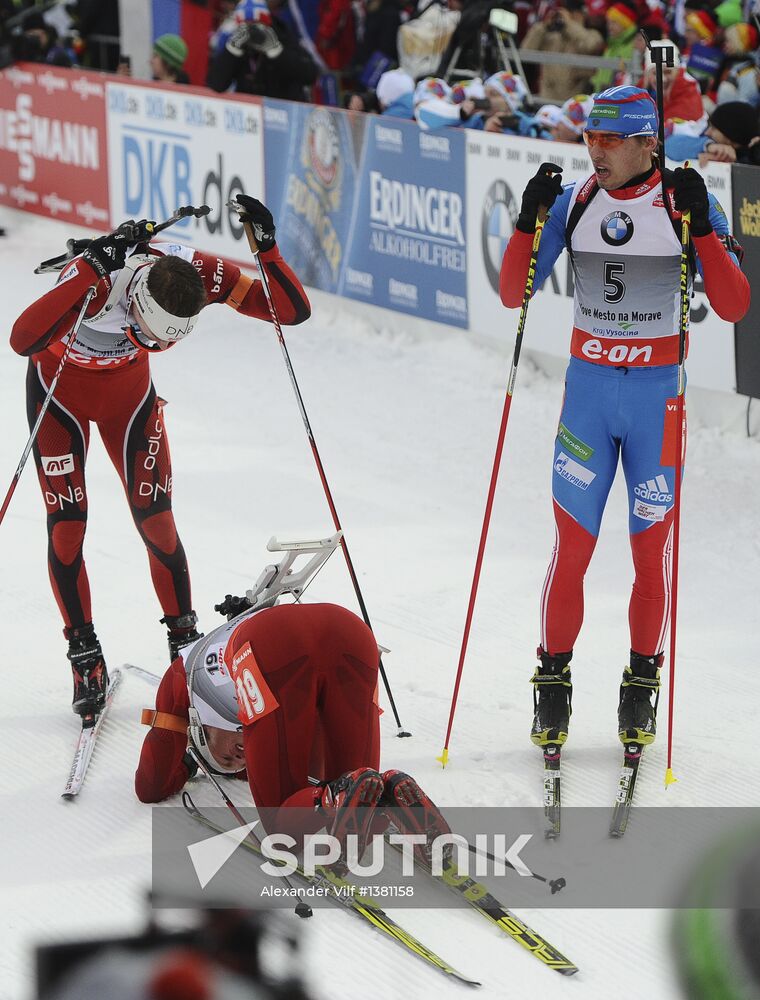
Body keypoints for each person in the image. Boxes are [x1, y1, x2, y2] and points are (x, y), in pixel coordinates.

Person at [499, 87, 750, 749]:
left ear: (647, 143)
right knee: (572, 550)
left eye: (610, 140)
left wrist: (704, 229)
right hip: (587, 398)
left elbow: (733, 306)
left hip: (654, 405)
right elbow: (510, 293)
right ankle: (551, 682)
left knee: (649, 555)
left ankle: (641, 682)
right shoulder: (578, 201)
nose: (595, 151)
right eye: (589, 138)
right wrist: (528, 222)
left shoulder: (682, 200)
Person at [10, 197, 311, 719]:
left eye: (164, 342)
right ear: (138, 305)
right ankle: (84, 653)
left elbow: (290, 311)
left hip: (128, 398)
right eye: (145, 335)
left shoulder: (196, 271)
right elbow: (21, 339)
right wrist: (85, 274)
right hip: (58, 394)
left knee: (159, 524)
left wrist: (268, 248)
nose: (151, 343)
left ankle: (185, 648)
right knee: (67, 527)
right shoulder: (100, 280)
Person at [135, 595, 449, 861]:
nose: (242, 758)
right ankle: (394, 790)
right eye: (240, 764)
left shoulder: (181, 679)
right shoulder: (244, 705)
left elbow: (150, 787)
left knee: (284, 835)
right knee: (358, 793)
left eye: (226, 758)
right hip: (348, 629)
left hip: (271, 643)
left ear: (198, 730)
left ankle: (347, 798)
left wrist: (185, 765)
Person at [206, 0, 319, 101]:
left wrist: (276, 51)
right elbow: (216, 85)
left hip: (283, 108)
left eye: (256, 24)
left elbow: (310, 75)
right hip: (251, 112)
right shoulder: (238, 43)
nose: (252, 33)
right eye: (246, 27)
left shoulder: (283, 35)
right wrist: (233, 50)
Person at [520, 1, 604, 103]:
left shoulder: (593, 35)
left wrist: (570, 24)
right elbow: (525, 52)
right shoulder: (551, 37)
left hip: (576, 104)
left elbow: (590, 45)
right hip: (547, 100)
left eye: (573, 14)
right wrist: (544, 26)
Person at [665, 100, 760, 164]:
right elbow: (669, 145)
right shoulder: (710, 143)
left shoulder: (753, 156)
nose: (707, 132)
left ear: (731, 135)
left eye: (714, 129)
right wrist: (707, 146)